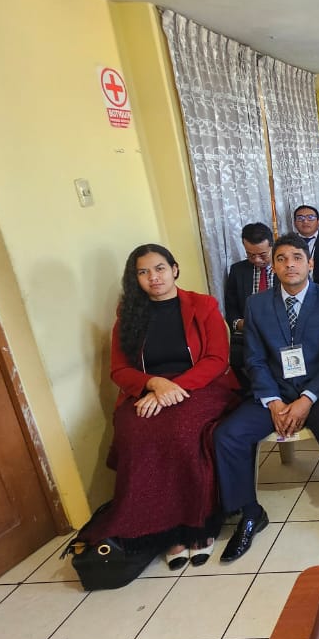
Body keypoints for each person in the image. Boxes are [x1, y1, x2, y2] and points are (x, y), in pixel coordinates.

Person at [92, 244, 239, 571]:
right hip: (149, 389)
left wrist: (173, 388)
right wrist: (155, 385)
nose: (153, 277)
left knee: (183, 431)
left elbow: (217, 358)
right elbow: (119, 369)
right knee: (135, 432)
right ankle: (164, 530)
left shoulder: (202, 306)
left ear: (174, 269)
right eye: (143, 272)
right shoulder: (128, 315)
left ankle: (199, 524)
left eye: (159, 268)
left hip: (201, 385)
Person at [214, 234, 319, 560]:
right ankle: (250, 512)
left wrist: (306, 398)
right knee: (228, 435)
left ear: (310, 263)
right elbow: (254, 359)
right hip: (274, 391)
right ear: (273, 266)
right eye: (281, 259)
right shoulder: (257, 304)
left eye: (296, 257)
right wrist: (274, 401)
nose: (289, 264)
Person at [224, 222, 275, 390]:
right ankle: (251, 392)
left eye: (262, 255)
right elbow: (231, 307)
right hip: (249, 333)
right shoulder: (238, 270)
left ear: (272, 246)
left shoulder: (286, 269)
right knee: (229, 356)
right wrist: (240, 323)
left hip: (280, 333)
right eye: (251, 255)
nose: (257, 260)